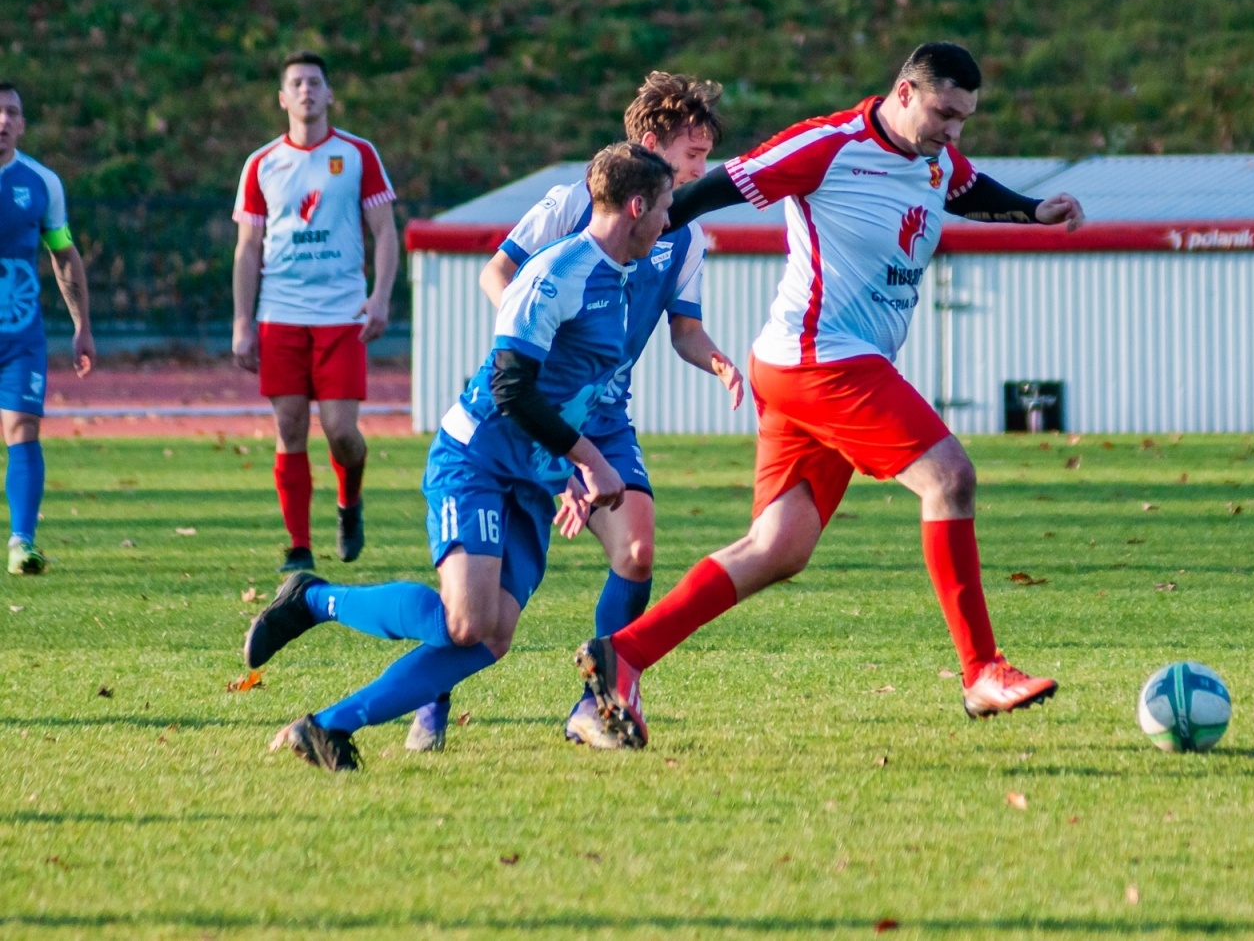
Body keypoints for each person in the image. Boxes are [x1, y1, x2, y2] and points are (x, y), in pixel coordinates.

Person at [574, 43, 1087, 748]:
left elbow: (962, 185)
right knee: (950, 478)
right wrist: (633, 239)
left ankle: (623, 654)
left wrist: (1034, 211)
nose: (953, 131)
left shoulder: (934, 157)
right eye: (943, 113)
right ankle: (981, 671)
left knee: (778, 547)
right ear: (904, 93)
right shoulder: (829, 145)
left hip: (817, 366)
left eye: (965, 119)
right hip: (820, 360)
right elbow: (722, 185)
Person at [243, 143, 674, 771]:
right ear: (636, 206)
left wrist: (570, 472)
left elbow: (573, 388)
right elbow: (511, 388)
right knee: (464, 622)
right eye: (663, 209)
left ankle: (329, 726)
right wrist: (591, 461)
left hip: (531, 478)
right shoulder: (557, 274)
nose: (668, 224)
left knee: (489, 638)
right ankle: (313, 599)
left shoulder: (622, 276)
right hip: (476, 460)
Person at [406, 73, 742, 752]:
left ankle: (594, 705)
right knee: (480, 595)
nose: (703, 172)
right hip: (542, 405)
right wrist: (540, 352)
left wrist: (720, 361)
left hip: (607, 416)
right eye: (693, 157)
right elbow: (498, 273)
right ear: (652, 145)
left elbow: (683, 331)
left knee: (639, 550)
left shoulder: (687, 237)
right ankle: (430, 692)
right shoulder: (573, 204)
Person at [231, 51, 398, 573]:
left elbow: (386, 233)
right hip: (280, 312)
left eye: (314, 83)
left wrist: (381, 296)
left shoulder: (357, 155)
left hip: (342, 313)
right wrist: (242, 321)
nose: (306, 91)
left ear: (329, 95)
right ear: (282, 98)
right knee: (290, 427)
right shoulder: (262, 163)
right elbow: (248, 247)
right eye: (296, 83)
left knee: (341, 431)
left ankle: (349, 503)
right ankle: (299, 547)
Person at [0, 83, 95, 575]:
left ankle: (22, 542)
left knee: (22, 429)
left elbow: (62, 252)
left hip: (19, 337)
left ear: (22, 123)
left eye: (11, 112)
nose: (1, 121)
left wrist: (81, 325)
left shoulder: (41, 183)